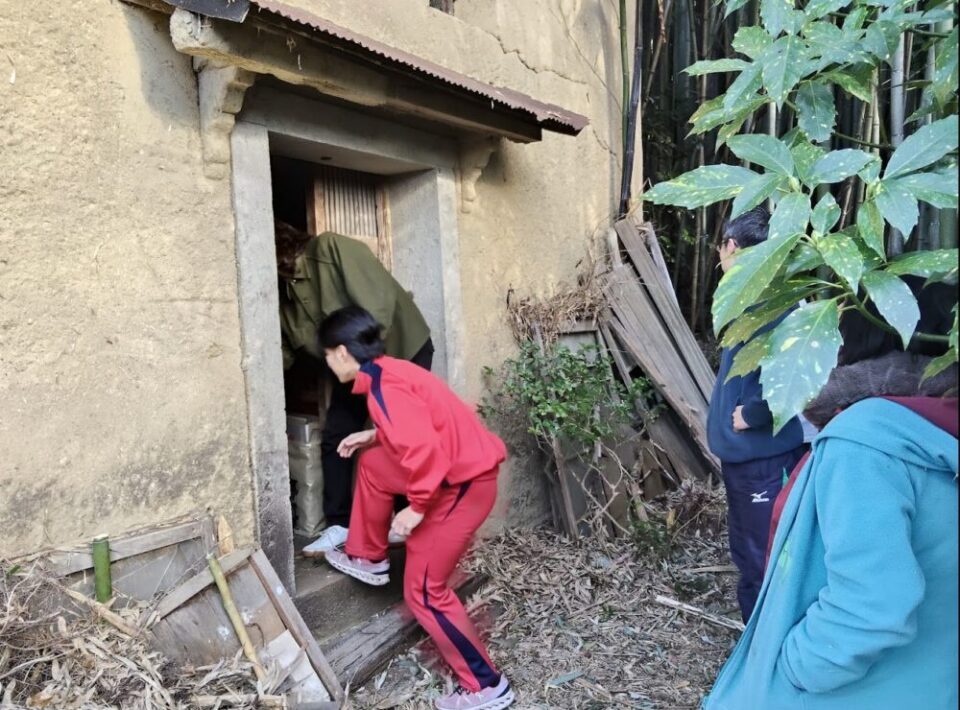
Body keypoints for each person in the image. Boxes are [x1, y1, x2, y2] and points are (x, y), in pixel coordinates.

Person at [703, 278, 958, 710]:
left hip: (856, 691)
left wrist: (790, 670)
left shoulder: (864, 440)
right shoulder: (933, 425)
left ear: (861, 335)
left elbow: (872, 608)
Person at [318, 307, 514, 710]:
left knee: (424, 591)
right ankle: (368, 556)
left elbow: (427, 453)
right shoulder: (390, 372)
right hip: (459, 475)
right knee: (374, 463)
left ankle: (486, 686)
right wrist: (374, 436)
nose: (327, 362)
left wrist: (416, 509)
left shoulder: (383, 390)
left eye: (326, 355)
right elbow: (421, 422)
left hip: (462, 487)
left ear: (341, 353)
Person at [274, 221, 434, 555]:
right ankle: (340, 525)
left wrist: (375, 374)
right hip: (353, 369)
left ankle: (408, 519)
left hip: (399, 351)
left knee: (400, 435)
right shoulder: (284, 297)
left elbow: (378, 308)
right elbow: (285, 354)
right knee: (337, 434)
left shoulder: (330, 248)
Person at [707, 206, 807, 622]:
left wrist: (756, 413)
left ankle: (768, 641)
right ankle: (756, 636)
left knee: (762, 554)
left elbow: (802, 372)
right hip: (746, 457)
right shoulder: (754, 297)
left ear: (731, 247)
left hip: (762, 456)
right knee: (748, 548)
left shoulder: (774, 303)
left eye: (721, 249)